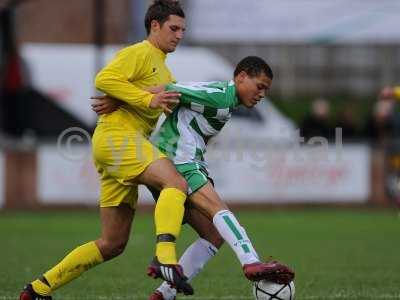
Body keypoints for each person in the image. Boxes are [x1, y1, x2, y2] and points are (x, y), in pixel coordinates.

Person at [19, 1, 194, 299]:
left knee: (112, 243)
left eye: (182, 30)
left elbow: (159, 93)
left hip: (116, 146)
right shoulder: (139, 52)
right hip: (118, 139)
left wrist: (132, 97)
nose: (179, 35)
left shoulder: (165, 71)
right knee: (175, 182)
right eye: (173, 28)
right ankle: (165, 257)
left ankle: (38, 289)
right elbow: (104, 78)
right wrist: (145, 99)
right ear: (154, 26)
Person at [93, 56, 295, 300]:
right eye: (259, 86)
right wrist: (116, 100)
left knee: (213, 234)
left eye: (266, 89)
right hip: (179, 163)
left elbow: (184, 105)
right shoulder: (221, 96)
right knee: (219, 210)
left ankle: (163, 295)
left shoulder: (225, 101)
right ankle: (251, 262)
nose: (262, 94)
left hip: (177, 162)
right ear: (241, 76)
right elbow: (168, 90)